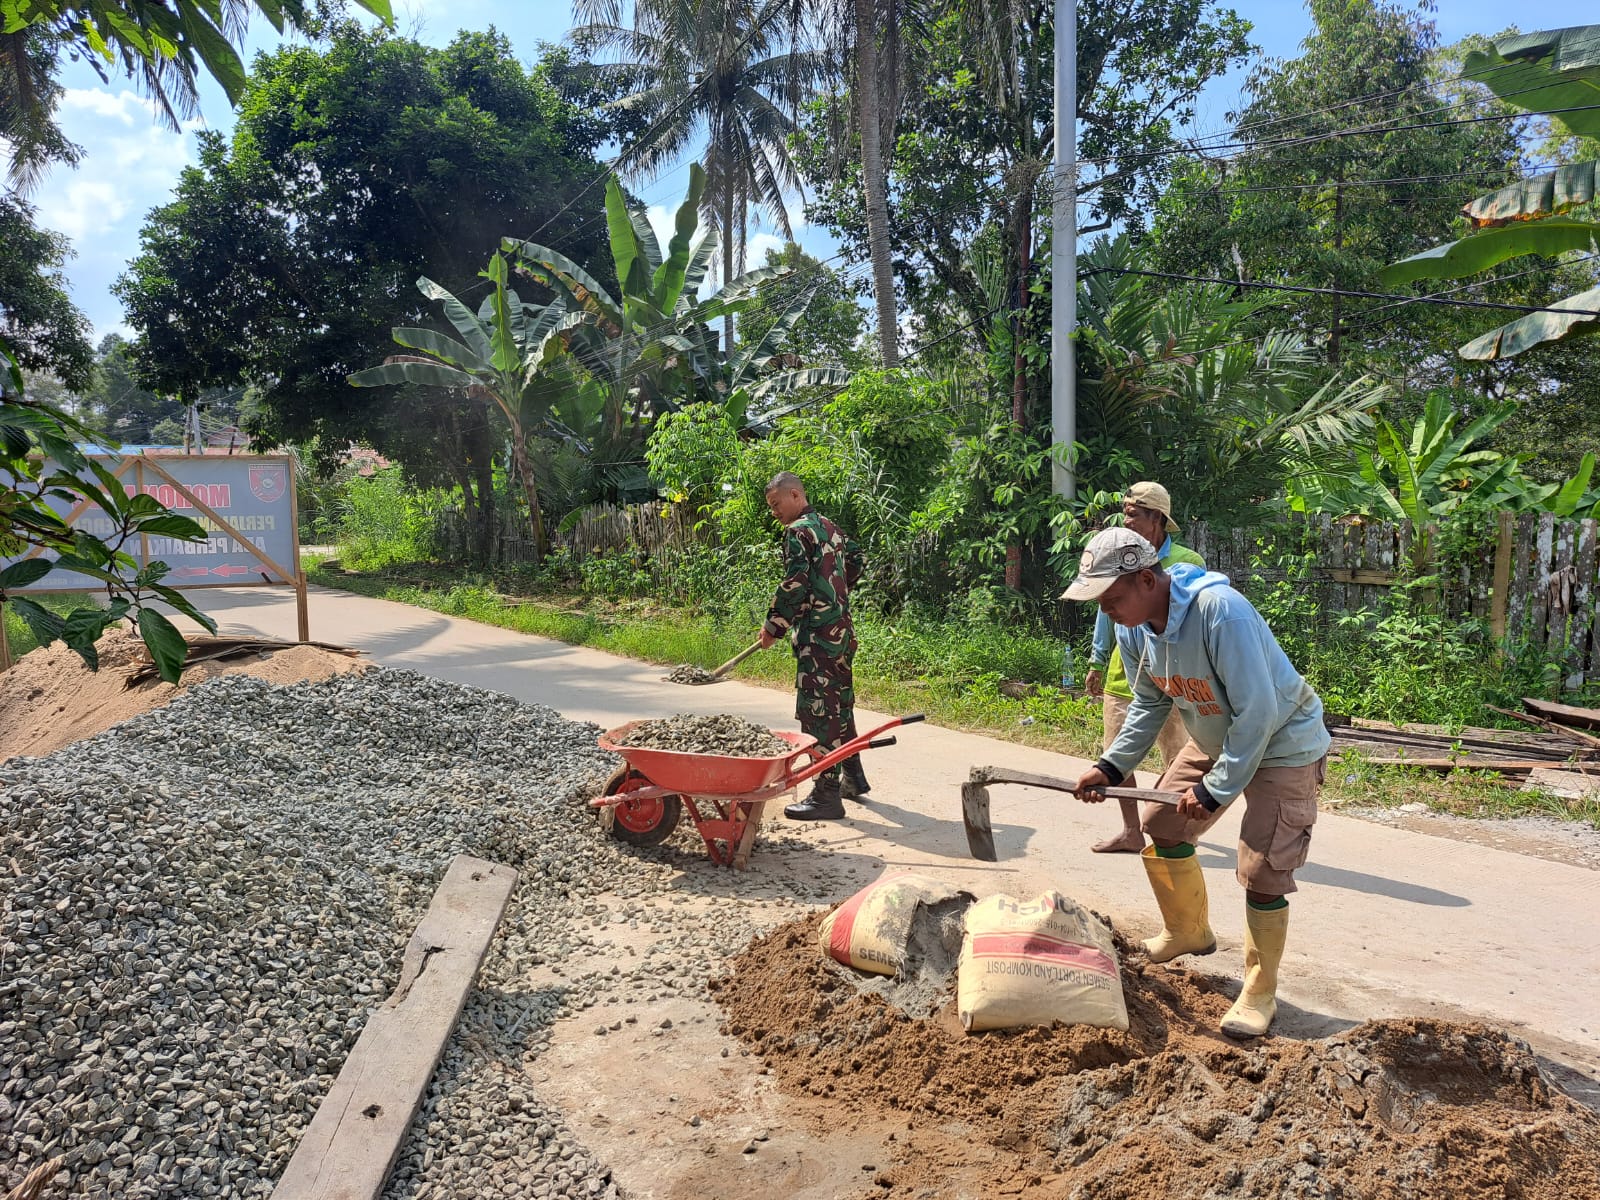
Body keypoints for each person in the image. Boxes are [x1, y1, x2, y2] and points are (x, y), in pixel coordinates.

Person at [1064, 527, 1329, 1039]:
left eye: (1111, 598)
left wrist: (1215, 790)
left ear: (1145, 579)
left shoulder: (1218, 611)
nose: (1105, 610)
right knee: (1162, 824)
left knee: (1262, 870)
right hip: (1216, 735)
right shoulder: (1133, 626)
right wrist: (1112, 766)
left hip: (1281, 744)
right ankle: (1189, 930)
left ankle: (1259, 989)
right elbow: (1151, 701)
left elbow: (1259, 711)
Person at [1082, 482, 1205, 855]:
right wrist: (1097, 658)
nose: (1126, 519)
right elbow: (1109, 610)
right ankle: (1132, 830)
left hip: (1174, 674)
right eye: (1125, 512)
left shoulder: (1186, 564)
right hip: (1128, 669)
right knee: (1118, 752)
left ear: (1158, 519)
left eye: (1134, 513)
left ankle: (1178, 829)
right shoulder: (1118, 553)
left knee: (1178, 756)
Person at [758, 472, 868, 821]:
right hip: (842, 632)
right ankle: (853, 777)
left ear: (795, 495)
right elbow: (856, 560)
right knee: (840, 705)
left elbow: (794, 583)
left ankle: (826, 795)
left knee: (819, 711)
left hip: (819, 638)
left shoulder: (797, 532)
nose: (774, 512)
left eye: (776, 504)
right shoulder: (829, 527)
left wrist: (774, 625)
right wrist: (832, 591)